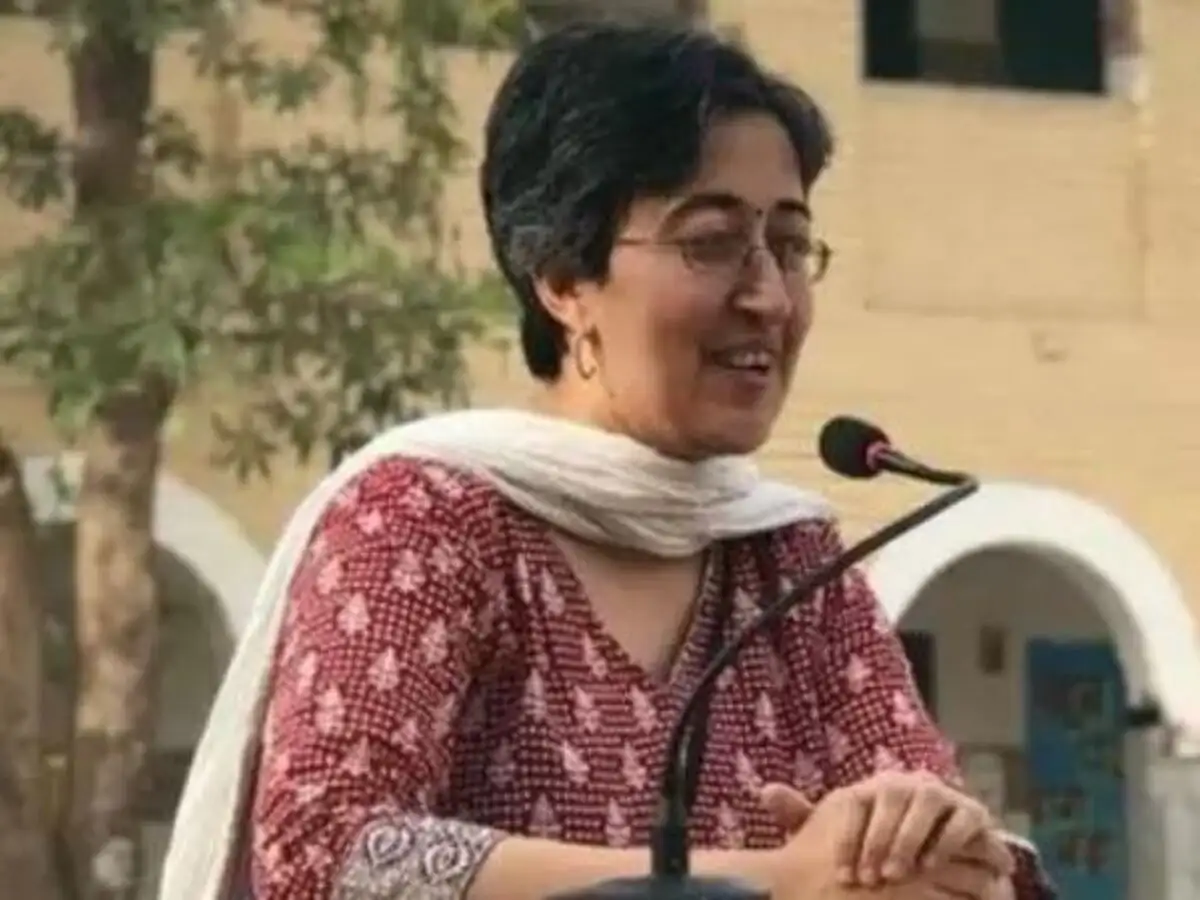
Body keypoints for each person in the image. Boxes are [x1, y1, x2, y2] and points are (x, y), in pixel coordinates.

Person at [159, 22, 1056, 900]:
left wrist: (938, 846)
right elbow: (328, 854)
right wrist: (773, 880)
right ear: (563, 278)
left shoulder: (792, 563)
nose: (770, 298)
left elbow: (960, 862)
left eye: (789, 246)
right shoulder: (426, 516)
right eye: (712, 242)